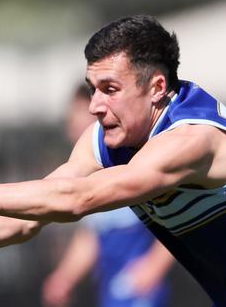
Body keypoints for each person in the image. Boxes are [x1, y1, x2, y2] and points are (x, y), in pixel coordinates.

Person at [0, 15, 226, 306]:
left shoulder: (192, 140)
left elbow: (78, 199)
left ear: (157, 87)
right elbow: (31, 216)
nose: (94, 105)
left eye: (110, 89)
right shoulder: (105, 140)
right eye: (93, 89)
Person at [42, 84, 172, 307]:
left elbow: (178, 217)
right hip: (111, 288)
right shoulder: (89, 175)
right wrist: (65, 277)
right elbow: (92, 236)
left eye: (77, 117)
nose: (71, 128)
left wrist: (154, 266)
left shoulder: (135, 162)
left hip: (139, 290)